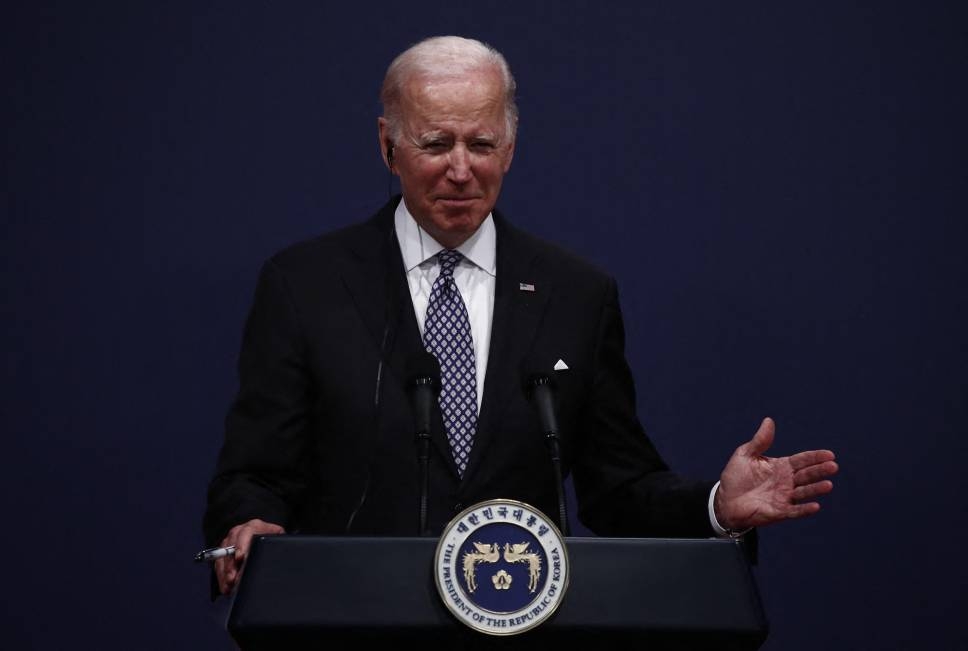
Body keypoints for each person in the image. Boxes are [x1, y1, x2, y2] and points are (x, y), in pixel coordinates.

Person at [202, 35, 838, 597]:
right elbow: (255, 472)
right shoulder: (306, 285)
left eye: (481, 144)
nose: (461, 170)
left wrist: (717, 508)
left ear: (510, 147)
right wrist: (248, 522)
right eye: (436, 143)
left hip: (520, 620)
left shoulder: (576, 294)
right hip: (352, 615)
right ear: (387, 145)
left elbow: (618, 488)